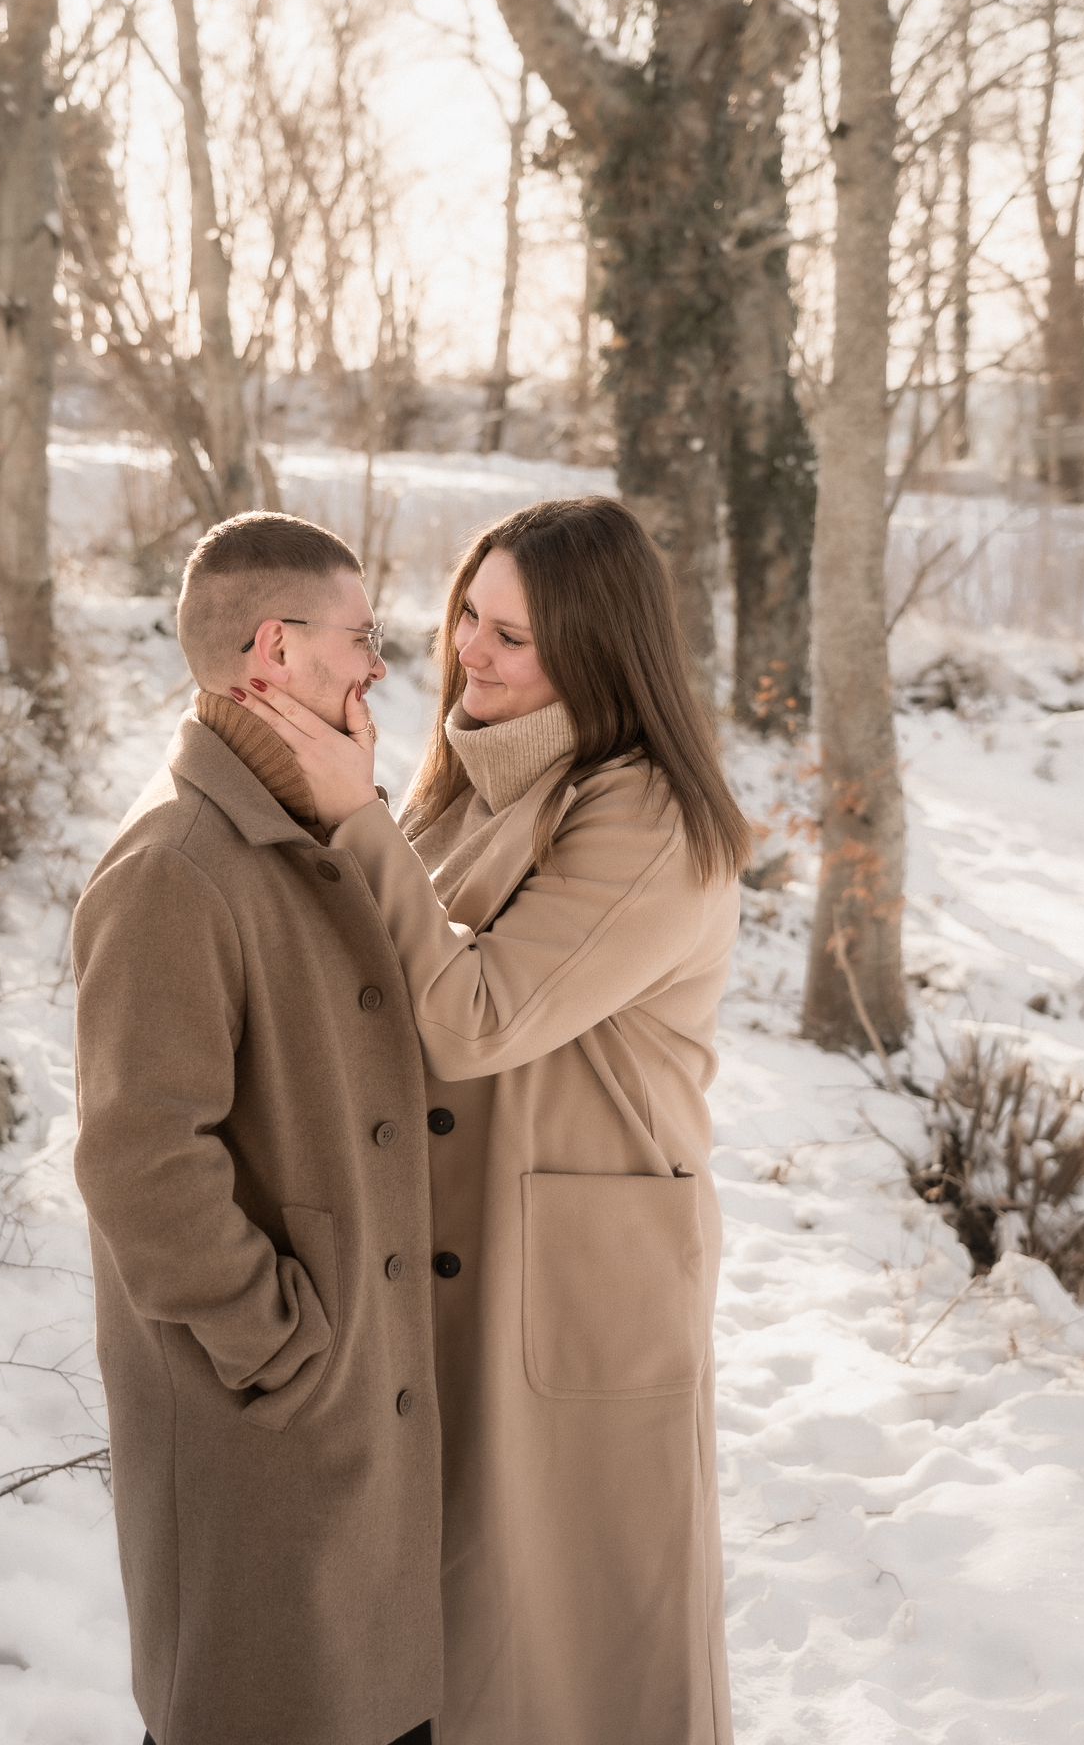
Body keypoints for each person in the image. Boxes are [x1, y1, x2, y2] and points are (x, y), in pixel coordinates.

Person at [239, 495, 751, 1745]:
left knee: (572, 1644)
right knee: (453, 1631)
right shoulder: (467, 780)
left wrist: (353, 812)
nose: (469, 647)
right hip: (449, 1257)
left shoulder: (649, 820)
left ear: (597, 651)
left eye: (511, 635)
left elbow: (471, 1018)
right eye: (469, 611)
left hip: (572, 1286)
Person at [72, 511, 441, 1745]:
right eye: (361, 636)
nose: (379, 665)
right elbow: (139, 1157)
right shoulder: (174, 864)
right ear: (275, 650)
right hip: (265, 1421)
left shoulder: (296, 828)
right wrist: (279, 1341)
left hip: (341, 1423)